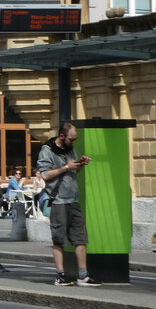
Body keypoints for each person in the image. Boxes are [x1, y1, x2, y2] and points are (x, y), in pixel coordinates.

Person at [37, 121, 99, 286]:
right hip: (58, 201)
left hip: (73, 199)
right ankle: (60, 275)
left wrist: (80, 165)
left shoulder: (70, 148)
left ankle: (83, 275)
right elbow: (45, 175)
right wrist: (65, 167)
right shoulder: (47, 150)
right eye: (71, 139)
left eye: (75, 139)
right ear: (62, 136)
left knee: (81, 238)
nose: (73, 142)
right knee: (58, 239)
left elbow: (73, 171)